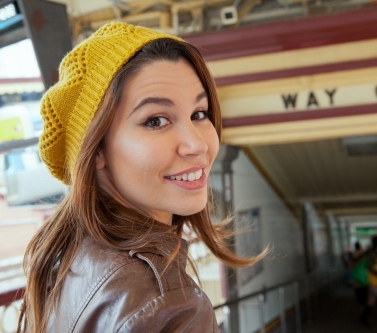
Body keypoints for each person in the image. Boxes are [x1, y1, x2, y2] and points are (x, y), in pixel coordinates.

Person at [17, 22, 265, 333]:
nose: (197, 144)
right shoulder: (169, 306)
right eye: (156, 120)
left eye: (199, 114)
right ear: (95, 151)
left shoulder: (65, 259)